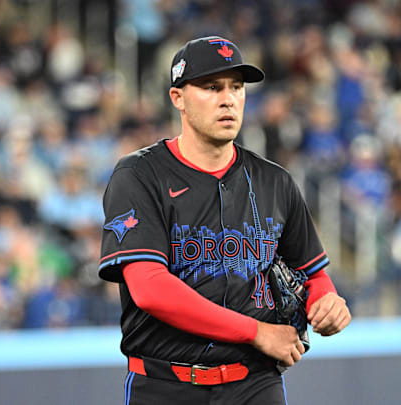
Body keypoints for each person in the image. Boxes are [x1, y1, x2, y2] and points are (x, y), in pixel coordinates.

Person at [98, 36, 351, 405]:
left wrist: (327, 301)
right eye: (211, 86)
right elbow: (150, 289)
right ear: (178, 98)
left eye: (236, 87)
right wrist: (255, 331)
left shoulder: (274, 180)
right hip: (166, 383)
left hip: (255, 383)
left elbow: (312, 272)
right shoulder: (139, 175)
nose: (228, 98)